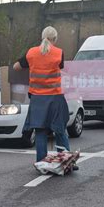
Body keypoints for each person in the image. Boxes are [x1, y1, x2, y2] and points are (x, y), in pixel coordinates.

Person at [13, 26, 74, 167]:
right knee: (60, 130)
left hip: (37, 98)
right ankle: (66, 161)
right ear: (55, 39)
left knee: (40, 131)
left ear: (42, 37)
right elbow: (61, 66)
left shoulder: (31, 52)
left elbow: (16, 67)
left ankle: (41, 162)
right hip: (55, 97)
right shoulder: (59, 53)